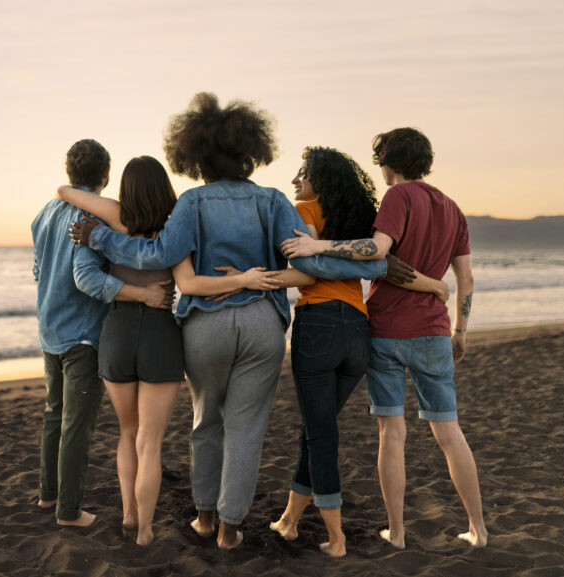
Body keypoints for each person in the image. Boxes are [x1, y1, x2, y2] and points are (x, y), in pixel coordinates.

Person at [69, 93, 412, 549]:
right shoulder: (271, 201)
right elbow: (309, 265)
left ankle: (206, 519)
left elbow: (160, 255)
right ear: (250, 152)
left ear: (195, 155)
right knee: (246, 426)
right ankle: (232, 529)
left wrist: (101, 237)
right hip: (261, 324)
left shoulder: (191, 201)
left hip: (205, 326)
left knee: (206, 420)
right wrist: (369, 265)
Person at [56, 155, 305, 545]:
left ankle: (132, 514)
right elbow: (182, 277)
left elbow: (69, 200)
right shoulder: (175, 223)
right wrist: (244, 279)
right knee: (153, 440)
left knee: (130, 432)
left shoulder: (111, 220)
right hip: (161, 335)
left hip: (118, 330)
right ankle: (153, 531)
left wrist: (96, 232)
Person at [281, 127, 488, 549]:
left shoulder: (398, 196)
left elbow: (376, 252)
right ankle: (478, 529)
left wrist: (319, 245)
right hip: (434, 332)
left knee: (392, 433)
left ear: (386, 163)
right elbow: (464, 278)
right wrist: (460, 330)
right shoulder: (453, 209)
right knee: (449, 433)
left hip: (387, 331)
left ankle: (396, 532)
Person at [31, 139, 175, 528]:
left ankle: (48, 495)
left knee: (53, 415)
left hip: (48, 327)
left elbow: (38, 270)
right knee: (76, 424)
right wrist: (143, 293)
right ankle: (69, 512)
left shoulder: (44, 213)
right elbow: (86, 277)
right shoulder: (88, 216)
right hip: (82, 334)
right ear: (106, 175)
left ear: (69, 171)